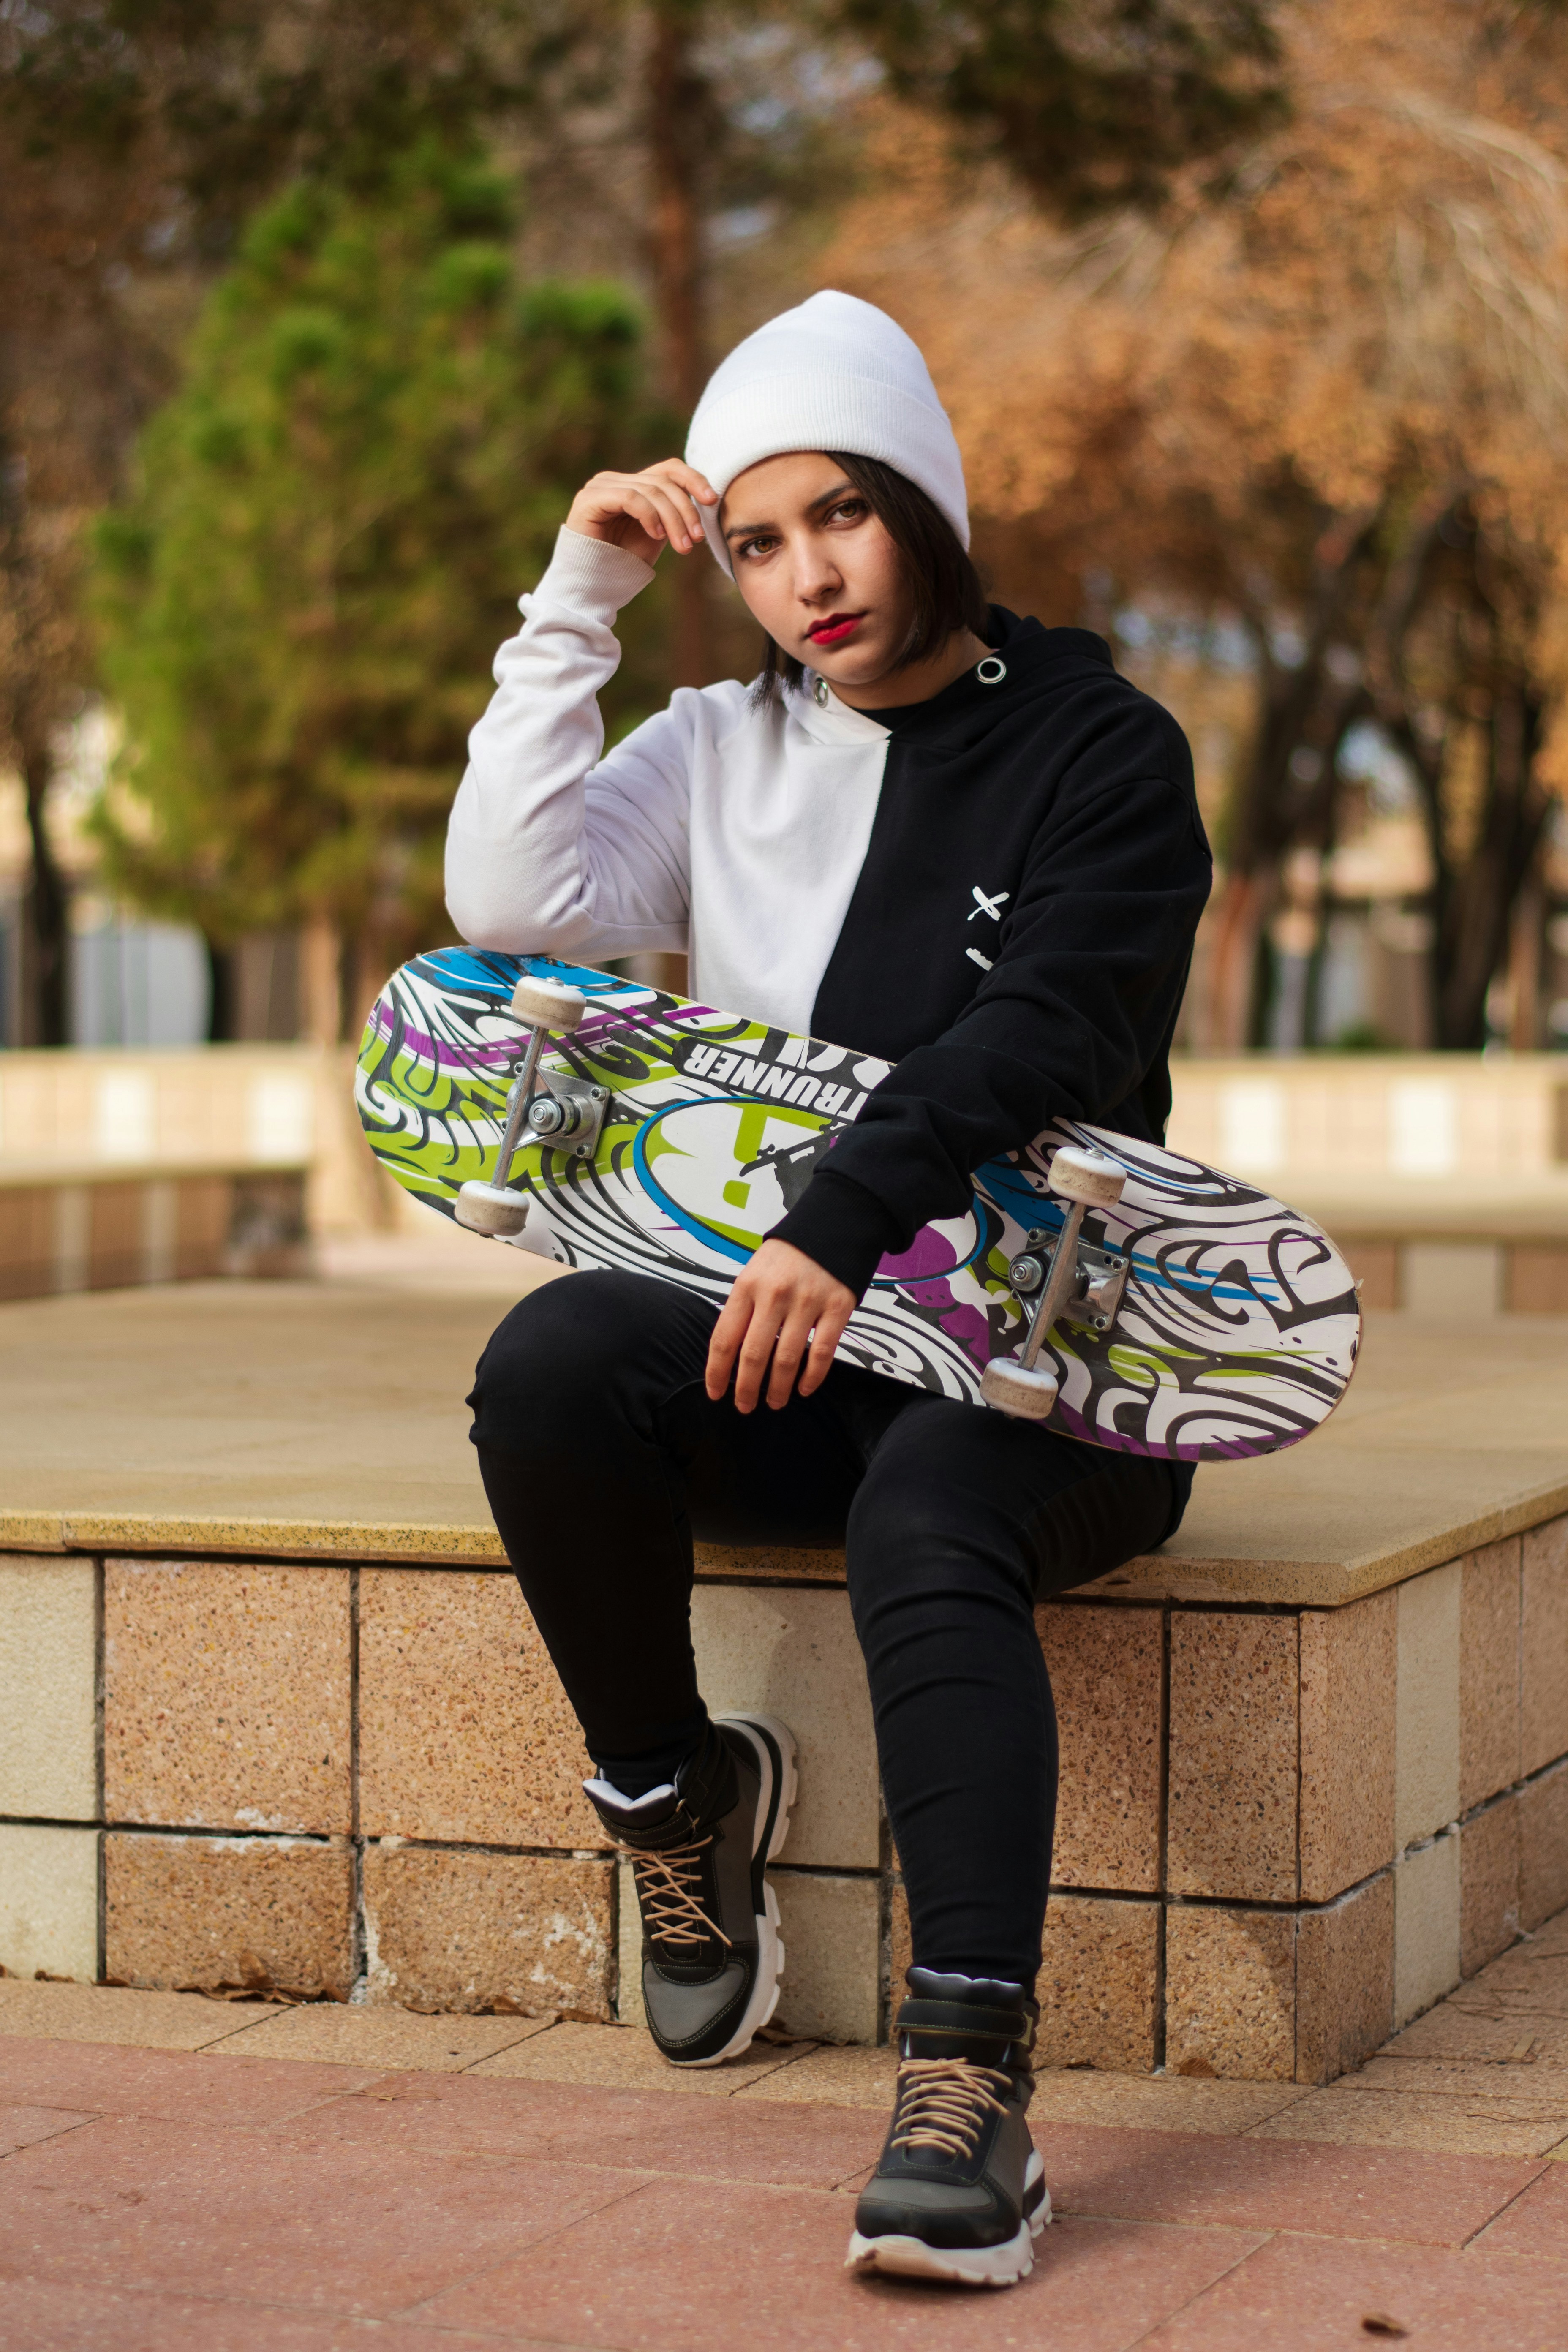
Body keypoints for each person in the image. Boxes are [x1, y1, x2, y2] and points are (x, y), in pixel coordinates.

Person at [448, 291, 1211, 2288]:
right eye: (760, 543)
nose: (808, 580)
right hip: (794, 1338)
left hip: (1049, 1374)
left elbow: (1045, 1036)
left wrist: (835, 1221)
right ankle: (675, 1801)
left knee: (930, 1507)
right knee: (545, 1369)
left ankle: (967, 2081)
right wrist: (581, 594)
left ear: (926, 508)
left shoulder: (1101, 752)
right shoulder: (715, 745)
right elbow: (512, 907)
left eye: (844, 519)